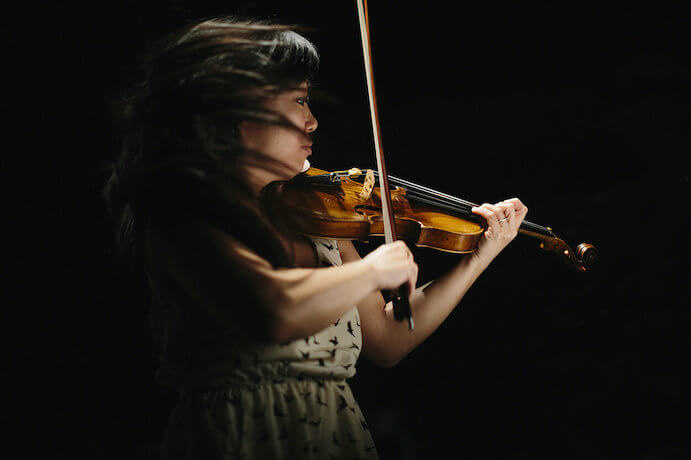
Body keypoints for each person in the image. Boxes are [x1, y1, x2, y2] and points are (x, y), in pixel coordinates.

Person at [102, 16, 527, 460]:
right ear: (237, 115)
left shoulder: (314, 218)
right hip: (240, 438)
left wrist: (477, 257)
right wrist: (372, 269)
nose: (312, 122)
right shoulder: (186, 220)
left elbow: (386, 340)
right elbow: (275, 308)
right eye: (299, 101)